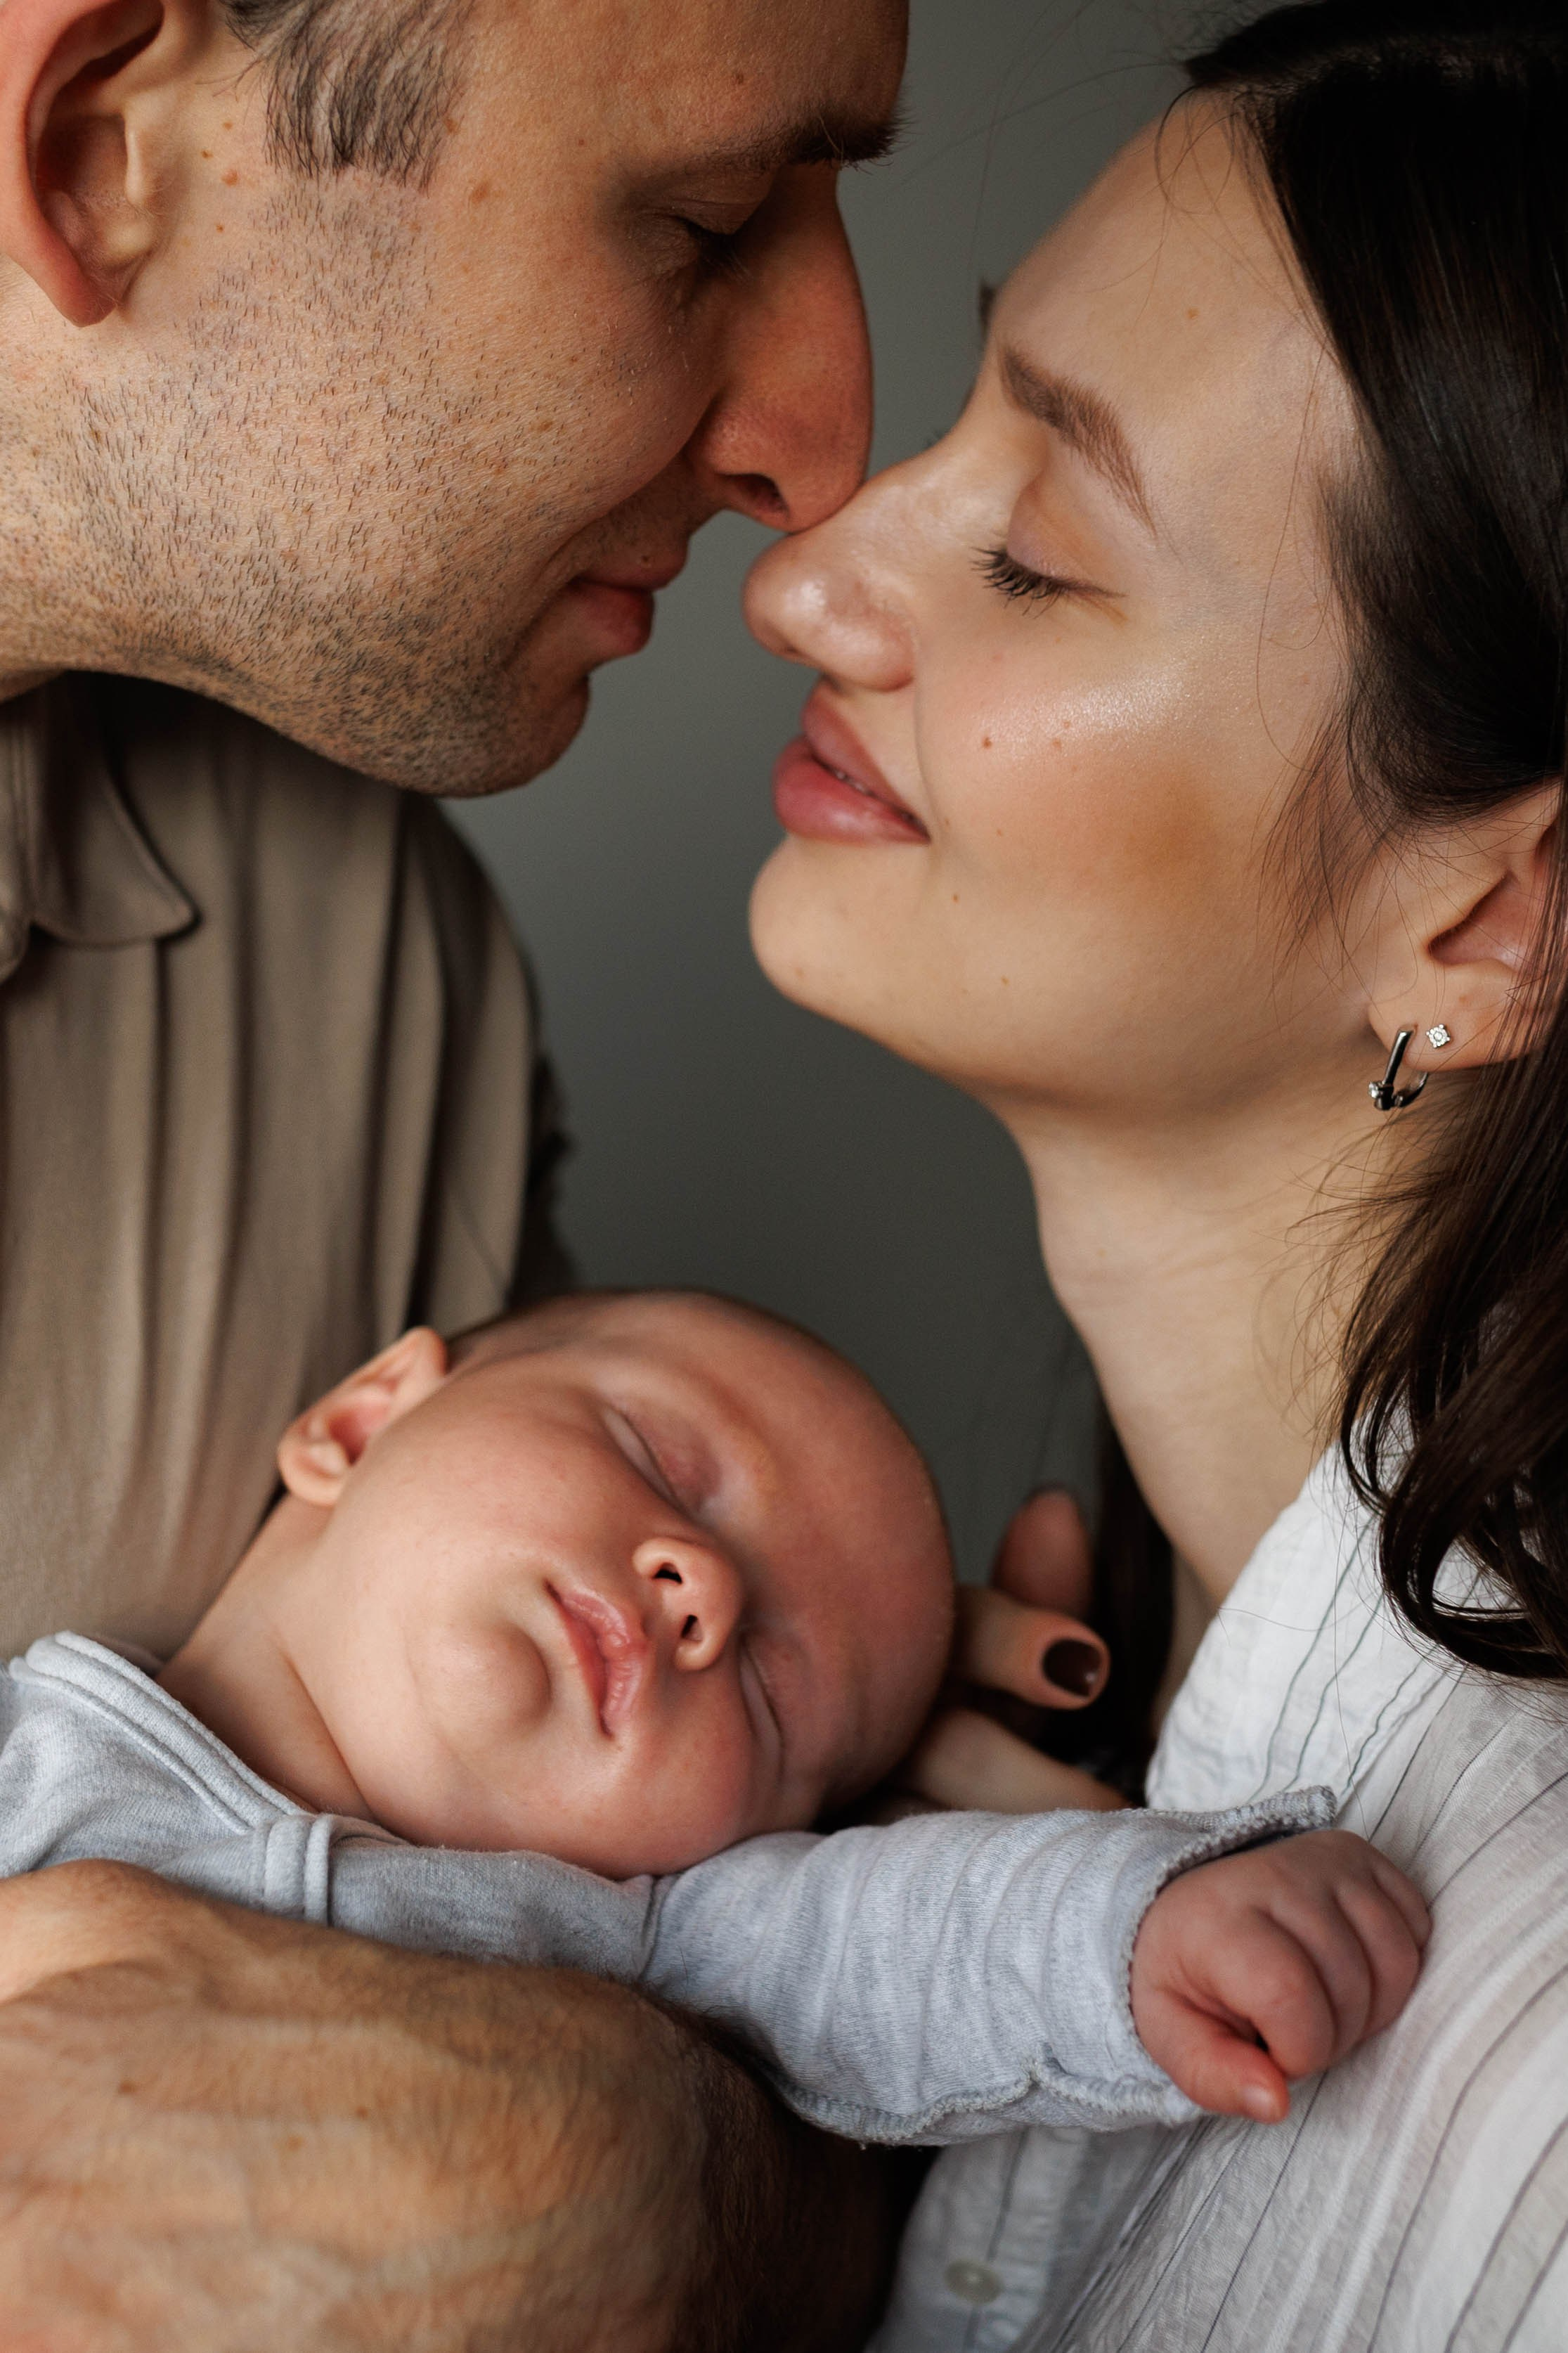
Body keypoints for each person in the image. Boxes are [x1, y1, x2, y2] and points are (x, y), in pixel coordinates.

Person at [0, 1, 1035, 2345]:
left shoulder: (358, 952)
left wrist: (683, 2138)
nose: (825, 441)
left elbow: (536, 2066)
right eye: (697, 218)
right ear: (94, 144)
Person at [737, 1, 1568, 2342]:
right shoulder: (1016, 1764)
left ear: (1487, 917)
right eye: (965, 413)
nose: (806, 581)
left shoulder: (1523, 2076)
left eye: (1036, 552)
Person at [0, 1287, 1429, 2138]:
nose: (705, 1597)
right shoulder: (35, 1756)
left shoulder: (649, 1948)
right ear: (366, 1423)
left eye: (770, 1693)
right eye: (665, 1462)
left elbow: (903, 1942)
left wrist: (1145, 1927)